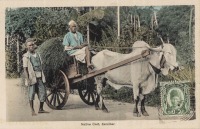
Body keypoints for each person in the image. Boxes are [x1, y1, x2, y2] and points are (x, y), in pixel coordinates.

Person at [23, 38, 49, 116]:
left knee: (43, 92)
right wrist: (28, 79)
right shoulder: (26, 56)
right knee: (31, 93)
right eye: (29, 45)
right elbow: (25, 69)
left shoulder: (38, 54)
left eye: (32, 45)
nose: (31, 46)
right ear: (27, 47)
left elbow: (41, 65)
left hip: (40, 76)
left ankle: (41, 109)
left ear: (34, 45)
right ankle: (32, 110)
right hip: (32, 77)